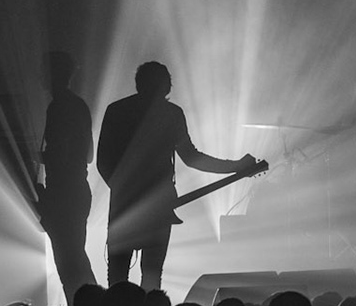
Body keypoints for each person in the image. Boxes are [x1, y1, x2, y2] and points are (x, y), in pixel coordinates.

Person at [95, 61, 255, 293]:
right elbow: (191, 157)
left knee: (118, 277)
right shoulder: (171, 114)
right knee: (152, 276)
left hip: (125, 205)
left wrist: (123, 191)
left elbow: (103, 161)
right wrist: (236, 166)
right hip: (159, 205)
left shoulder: (117, 110)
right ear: (166, 86)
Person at [38, 51, 98, 306]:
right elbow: (89, 156)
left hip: (63, 193)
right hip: (78, 189)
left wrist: (36, 156)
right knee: (76, 260)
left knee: (68, 265)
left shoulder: (58, 107)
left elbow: (59, 155)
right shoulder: (79, 105)